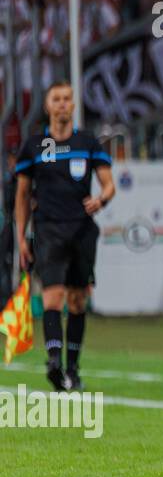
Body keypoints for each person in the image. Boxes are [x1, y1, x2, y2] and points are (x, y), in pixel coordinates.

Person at [13, 82, 115, 391]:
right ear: (47, 106)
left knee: (78, 301)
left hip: (82, 230)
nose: (61, 104)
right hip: (48, 229)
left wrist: (102, 200)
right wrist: (21, 237)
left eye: (67, 99)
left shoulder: (88, 142)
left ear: (73, 105)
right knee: (52, 298)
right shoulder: (33, 146)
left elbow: (109, 184)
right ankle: (54, 362)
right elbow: (21, 195)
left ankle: (72, 367)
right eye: (56, 99)